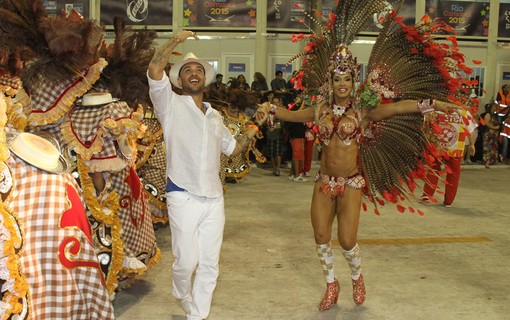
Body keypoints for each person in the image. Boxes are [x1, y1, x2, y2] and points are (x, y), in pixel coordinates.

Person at [258, 1, 473, 311]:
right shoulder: (318, 110)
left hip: (351, 184)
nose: (342, 84)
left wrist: (437, 105)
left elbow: (401, 107)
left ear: (353, 81)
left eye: (347, 79)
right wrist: (270, 109)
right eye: (337, 79)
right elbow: (290, 116)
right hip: (324, 182)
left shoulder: (363, 112)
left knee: (346, 241)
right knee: (320, 236)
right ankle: (332, 283)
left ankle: (357, 276)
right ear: (330, 81)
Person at [147, 30, 267, 320]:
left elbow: (233, 149)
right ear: (179, 79)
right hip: (182, 194)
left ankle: (197, 315)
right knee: (186, 262)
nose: (193, 73)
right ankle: (181, 291)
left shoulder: (215, 116)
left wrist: (254, 125)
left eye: (198, 69)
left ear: (205, 79)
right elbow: (154, 68)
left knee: (210, 264)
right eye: (187, 70)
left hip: (214, 198)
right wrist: (175, 40)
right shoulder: (169, 105)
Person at [420, 110, 477, 207]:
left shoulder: (436, 109)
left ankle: (427, 194)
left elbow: (426, 128)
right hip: (455, 148)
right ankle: (448, 201)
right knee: (453, 175)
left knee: (433, 170)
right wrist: (472, 144)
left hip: (437, 147)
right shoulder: (464, 112)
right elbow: (471, 130)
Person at [265, 96, 286, 176]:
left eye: (277, 102)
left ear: (280, 102)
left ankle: (278, 168)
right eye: (274, 102)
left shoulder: (282, 111)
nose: (276, 104)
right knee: (271, 153)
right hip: (270, 135)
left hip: (278, 135)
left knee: (278, 153)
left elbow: (283, 123)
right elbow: (266, 122)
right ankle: (274, 168)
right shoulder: (269, 111)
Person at [482, 103, 501, 168]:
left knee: (493, 147)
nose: (496, 107)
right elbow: (486, 123)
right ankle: (487, 161)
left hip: (494, 134)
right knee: (488, 147)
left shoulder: (494, 115)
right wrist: (494, 127)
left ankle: (492, 161)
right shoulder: (488, 114)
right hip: (489, 134)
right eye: (494, 106)